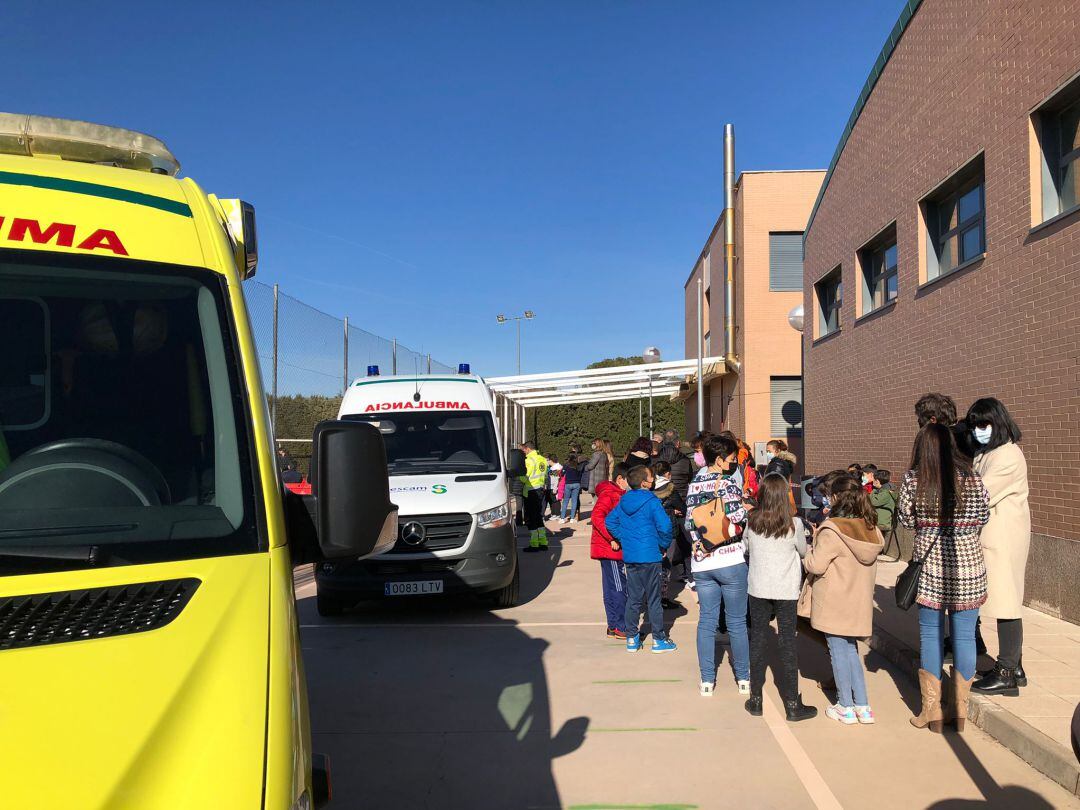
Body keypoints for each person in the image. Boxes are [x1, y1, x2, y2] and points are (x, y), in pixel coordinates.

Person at [899, 423, 990, 733]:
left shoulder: (914, 480)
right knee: (965, 637)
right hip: (969, 566)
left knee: (931, 636)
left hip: (932, 567)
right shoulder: (974, 478)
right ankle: (959, 711)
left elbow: (906, 521)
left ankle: (931, 710)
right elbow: (984, 516)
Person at [803, 477, 883, 725]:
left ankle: (845, 705)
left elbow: (815, 564)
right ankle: (862, 705)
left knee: (839, 651)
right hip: (857, 600)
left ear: (837, 498)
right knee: (851, 651)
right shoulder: (870, 528)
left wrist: (810, 548)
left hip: (834, 600)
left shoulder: (833, 529)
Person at [966, 398, 1031, 697]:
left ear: (998, 422)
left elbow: (980, 493)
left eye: (984, 424)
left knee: (1007, 602)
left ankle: (1006, 672)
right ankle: (1013, 665)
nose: (979, 431)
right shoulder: (988, 453)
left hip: (1003, 538)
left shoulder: (1006, 455)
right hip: (996, 536)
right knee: (1005, 599)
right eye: (975, 425)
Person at [685, 434, 750, 694]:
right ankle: (743, 678)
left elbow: (691, 523)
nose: (734, 463)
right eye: (732, 459)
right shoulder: (727, 484)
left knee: (706, 622)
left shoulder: (694, 482)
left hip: (702, 561)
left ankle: (707, 680)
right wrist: (745, 509)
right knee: (736, 622)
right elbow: (736, 518)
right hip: (730, 558)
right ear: (720, 460)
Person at [743, 474, 811, 719]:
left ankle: (756, 698)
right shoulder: (794, 524)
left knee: (758, 640)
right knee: (787, 642)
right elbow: (803, 551)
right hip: (786, 589)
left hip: (759, 588)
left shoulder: (752, 521)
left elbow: (746, 549)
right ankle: (792, 703)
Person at [606, 465, 677, 653]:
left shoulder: (624, 501)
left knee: (634, 598)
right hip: (650, 556)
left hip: (631, 556)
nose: (653, 480)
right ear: (645, 482)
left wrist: (624, 538)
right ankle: (659, 639)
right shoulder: (652, 501)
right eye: (651, 477)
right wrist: (662, 545)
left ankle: (631, 637)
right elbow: (665, 526)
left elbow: (610, 522)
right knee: (653, 599)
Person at [592, 463, 630, 639]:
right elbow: (597, 516)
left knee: (611, 588)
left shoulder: (616, 494)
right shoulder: (610, 494)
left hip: (608, 549)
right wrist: (612, 538)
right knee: (619, 587)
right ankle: (621, 627)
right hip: (610, 550)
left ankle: (614, 625)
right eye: (628, 480)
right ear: (620, 479)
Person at [651, 460, 687, 608]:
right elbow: (682, 507)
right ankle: (662, 598)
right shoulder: (670, 488)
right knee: (666, 564)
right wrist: (674, 511)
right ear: (667, 474)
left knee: (653, 563)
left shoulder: (650, 487)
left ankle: (651, 594)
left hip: (652, 529)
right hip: (668, 528)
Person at [519, 441, 551, 552]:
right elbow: (545, 475)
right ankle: (543, 542)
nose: (523, 452)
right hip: (540, 490)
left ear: (528, 448)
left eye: (523, 449)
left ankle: (534, 544)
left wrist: (518, 477)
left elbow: (525, 477)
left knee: (531, 518)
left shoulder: (528, 460)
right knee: (538, 517)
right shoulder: (542, 459)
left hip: (530, 491)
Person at [869, 469, 898, 533]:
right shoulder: (884, 490)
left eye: (873, 479)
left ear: (877, 481)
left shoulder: (886, 492)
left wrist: (872, 491)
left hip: (882, 523)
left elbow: (874, 502)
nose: (872, 481)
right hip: (879, 520)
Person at [560, 453, 584, 523]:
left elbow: (562, 474)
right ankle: (572, 518)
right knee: (574, 501)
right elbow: (580, 475)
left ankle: (562, 518)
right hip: (577, 484)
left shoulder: (566, 465)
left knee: (565, 501)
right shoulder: (578, 465)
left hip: (568, 484)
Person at [546, 454, 563, 519]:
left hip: (554, 487)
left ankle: (557, 514)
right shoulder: (553, 467)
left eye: (548, 460)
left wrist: (555, 488)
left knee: (555, 501)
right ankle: (553, 514)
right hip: (551, 486)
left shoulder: (557, 467)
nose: (547, 461)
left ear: (551, 460)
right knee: (552, 501)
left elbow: (556, 479)